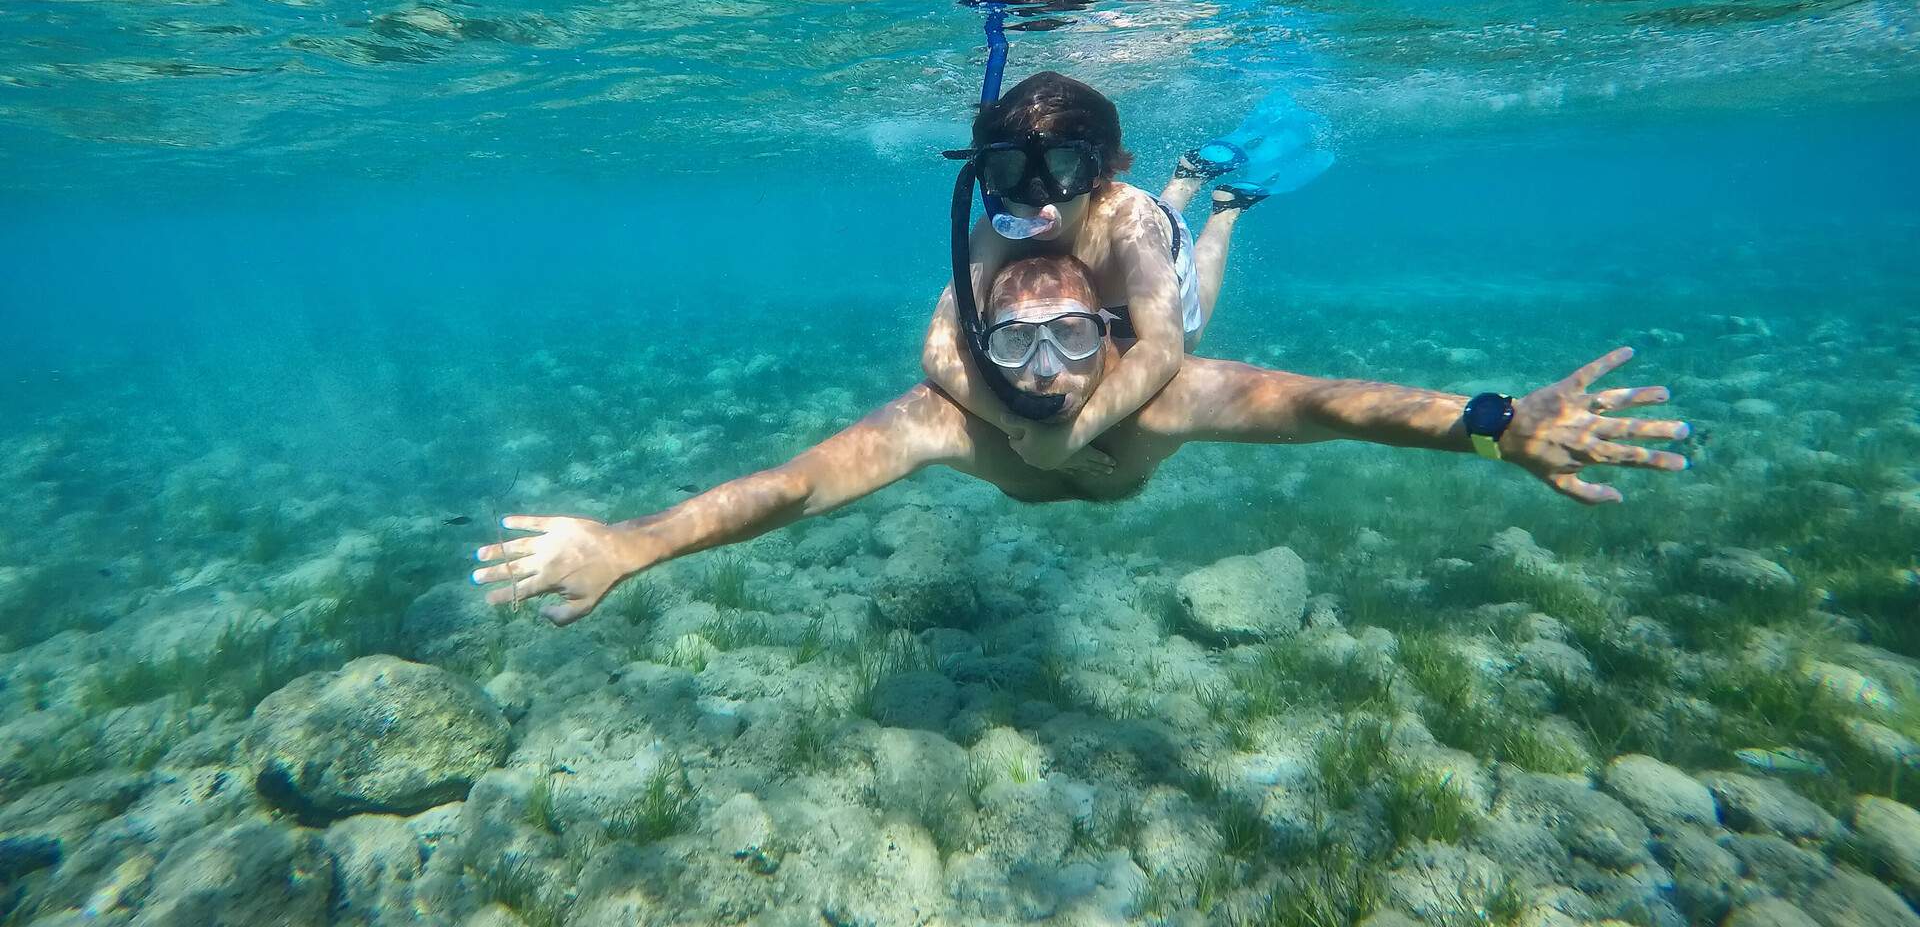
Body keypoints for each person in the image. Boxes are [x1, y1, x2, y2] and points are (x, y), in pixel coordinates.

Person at [474, 251, 1689, 625]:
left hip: (1166, 325)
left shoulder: (1167, 388)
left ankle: (1215, 207)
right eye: (1018, 347)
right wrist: (631, 544)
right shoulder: (941, 416)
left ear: (1114, 336)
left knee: (1201, 286)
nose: (1047, 374)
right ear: (975, 352)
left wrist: (1493, 427)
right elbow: (795, 489)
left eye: (1073, 340)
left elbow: (1336, 408)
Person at [923, 72, 1328, 477]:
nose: (1035, 195)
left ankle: (1226, 208)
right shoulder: (995, 230)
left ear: (1099, 172)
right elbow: (937, 351)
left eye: (1064, 167)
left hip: (1154, 235)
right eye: (1009, 168)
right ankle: (1186, 178)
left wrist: (1067, 439)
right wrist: (1016, 424)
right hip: (1128, 245)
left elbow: (1164, 351)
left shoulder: (1129, 217)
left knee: (1191, 333)